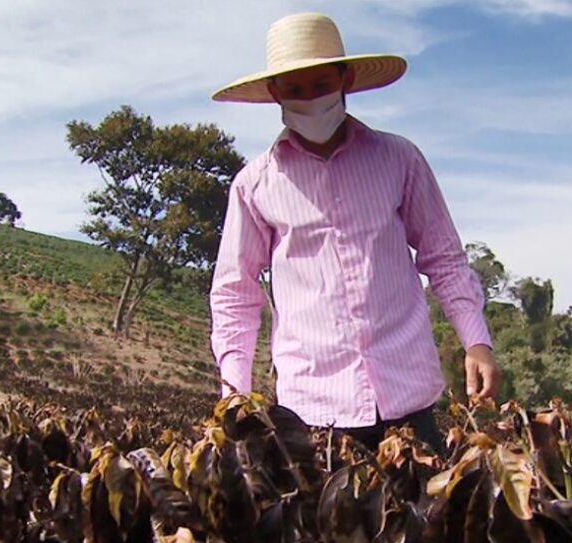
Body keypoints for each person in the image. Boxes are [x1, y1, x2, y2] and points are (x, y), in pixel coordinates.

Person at [209, 12, 501, 452]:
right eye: (295, 89)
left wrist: (476, 341)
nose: (309, 98)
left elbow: (443, 257)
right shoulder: (255, 185)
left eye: (320, 84)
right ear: (275, 93)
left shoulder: (399, 159)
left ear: (344, 78)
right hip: (314, 409)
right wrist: (234, 389)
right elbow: (235, 291)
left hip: (408, 397)